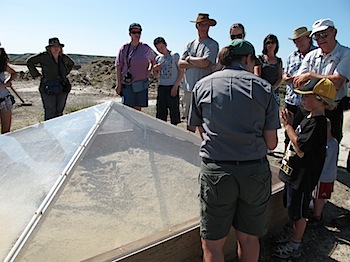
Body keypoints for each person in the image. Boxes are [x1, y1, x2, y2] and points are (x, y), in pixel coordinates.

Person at [189, 39, 280, 262]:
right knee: (249, 240)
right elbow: (271, 144)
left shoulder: (202, 86)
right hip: (254, 172)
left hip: (217, 171)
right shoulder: (264, 88)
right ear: (248, 59)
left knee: (211, 244)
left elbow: (200, 129)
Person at [275, 78, 336, 259]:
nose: (302, 100)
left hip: (302, 178)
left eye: (306, 96)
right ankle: (293, 236)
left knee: (299, 212)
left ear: (319, 99)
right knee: (291, 208)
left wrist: (288, 127)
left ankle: (295, 244)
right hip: (294, 175)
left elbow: (301, 146)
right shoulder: (309, 118)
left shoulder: (317, 123)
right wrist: (292, 124)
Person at [294, 18, 350, 143]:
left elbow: (337, 82)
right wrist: (321, 81)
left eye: (324, 34)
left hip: (332, 109)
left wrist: (310, 76)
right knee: (304, 145)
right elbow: (299, 82)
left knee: (329, 146)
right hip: (309, 109)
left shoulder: (346, 53)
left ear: (334, 32)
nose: (321, 39)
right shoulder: (311, 55)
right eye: (317, 36)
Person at [178, 13, 219, 132]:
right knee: (189, 120)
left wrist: (190, 59)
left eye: (206, 25)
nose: (204, 27)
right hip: (188, 87)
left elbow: (206, 62)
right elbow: (180, 64)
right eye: (201, 24)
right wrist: (197, 62)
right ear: (197, 26)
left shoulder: (212, 44)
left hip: (204, 88)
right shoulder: (189, 44)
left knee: (203, 121)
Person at [283, 26, 317, 148]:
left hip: (309, 101)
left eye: (300, 39)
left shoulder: (317, 54)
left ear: (308, 38)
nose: (297, 43)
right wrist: (286, 78)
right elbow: (285, 74)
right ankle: (287, 157)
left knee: (306, 133)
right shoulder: (291, 56)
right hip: (292, 99)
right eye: (295, 40)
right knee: (288, 131)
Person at [27, 37, 74, 121]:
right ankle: (49, 132)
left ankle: (58, 131)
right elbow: (29, 61)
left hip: (62, 87)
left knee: (59, 112)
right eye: (53, 46)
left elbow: (71, 64)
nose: (56, 48)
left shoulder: (63, 58)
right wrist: (36, 74)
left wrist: (64, 73)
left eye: (58, 46)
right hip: (48, 87)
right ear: (49, 48)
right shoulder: (44, 57)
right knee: (50, 112)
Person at [115, 23, 155, 111]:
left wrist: (150, 70)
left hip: (141, 84)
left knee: (138, 111)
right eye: (134, 32)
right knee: (127, 110)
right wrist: (118, 84)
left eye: (139, 32)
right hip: (128, 84)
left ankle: (135, 126)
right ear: (130, 34)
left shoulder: (145, 48)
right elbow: (118, 67)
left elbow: (154, 60)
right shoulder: (124, 48)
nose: (137, 35)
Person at [309, 118, 339, 227]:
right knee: (321, 196)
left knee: (319, 197)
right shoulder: (334, 142)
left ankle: (317, 217)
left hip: (322, 177)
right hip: (330, 175)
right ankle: (318, 211)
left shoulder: (324, 147)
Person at [153, 37, 184, 125]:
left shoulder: (175, 55)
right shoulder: (158, 58)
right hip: (162, 87)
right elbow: (156, 76)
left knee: (174, 113)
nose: (160, 50)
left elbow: (182, 71)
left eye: (162, 47)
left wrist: (176, 86)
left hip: (172, 86)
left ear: (166, 45)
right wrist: (155, 70)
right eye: (158, 49)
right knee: (161, 113)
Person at [254, 34, 283, 106]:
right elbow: (257, 75)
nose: (270, 45)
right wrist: (265, 88)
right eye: (268, 43)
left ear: (276, 44)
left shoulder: (279, 61)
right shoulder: (260, 58)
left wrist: (273, 88)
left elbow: (280, 77)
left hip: (274, 93)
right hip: (261, 92)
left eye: (272, 42)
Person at [0, 42, 17, 133]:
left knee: (6, 132)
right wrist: (4, 85)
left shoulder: (2, 64)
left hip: (4, 99)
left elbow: (14, 73)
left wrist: (8, 81)